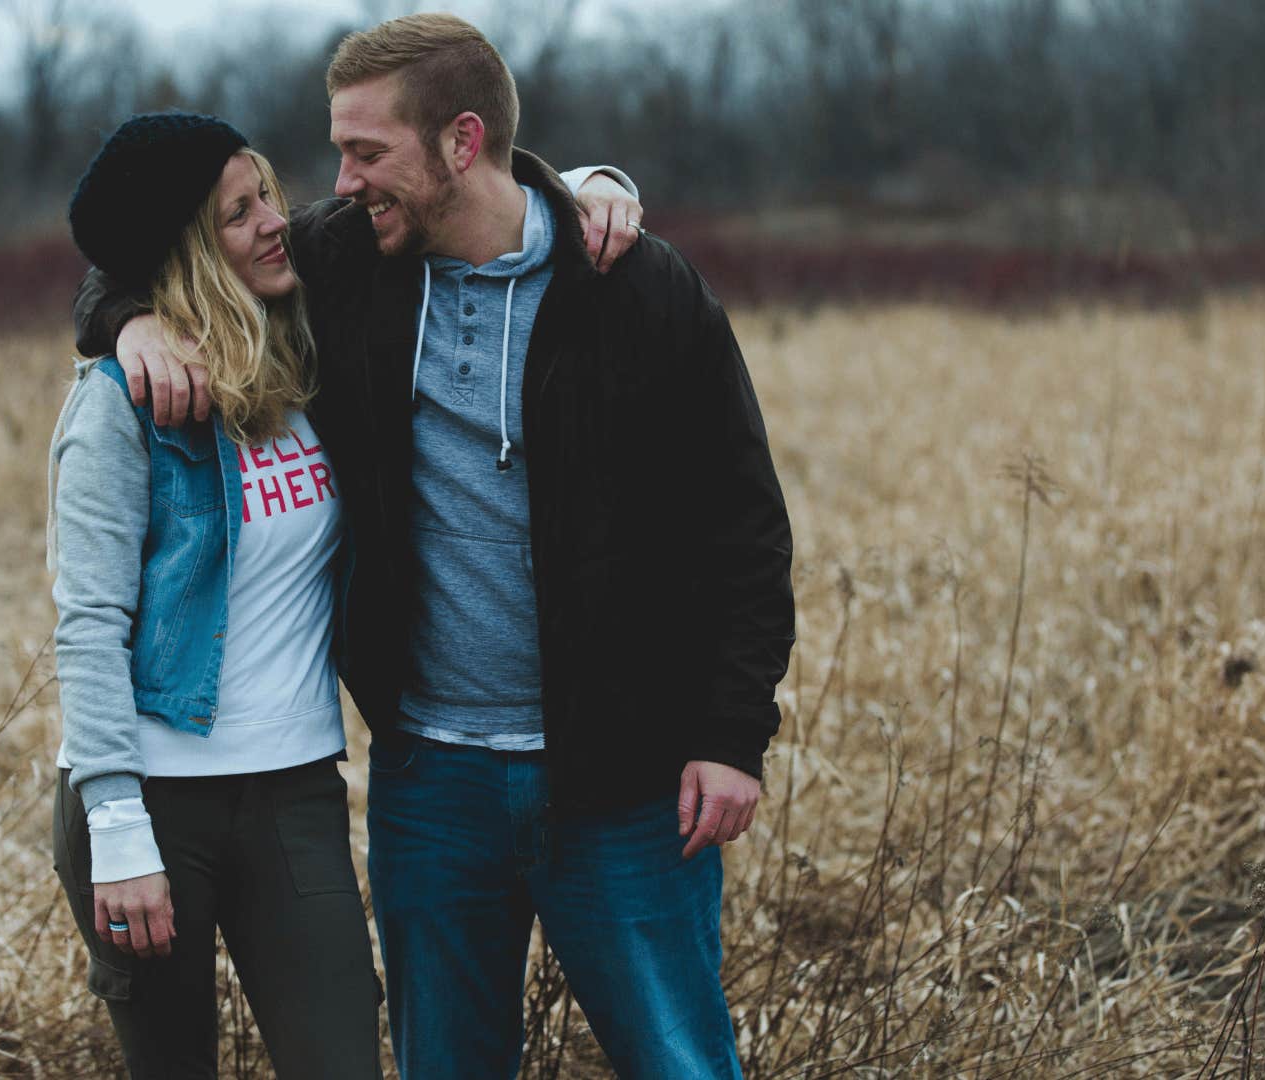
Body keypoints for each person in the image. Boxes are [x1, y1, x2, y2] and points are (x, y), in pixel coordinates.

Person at [77, 15, 794, 1078]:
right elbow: (183, 255)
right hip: (433, 783)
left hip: (623, 781)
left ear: (462, 142)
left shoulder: (638, 289)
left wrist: (733, 734)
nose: (341, 179)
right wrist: (125, 316)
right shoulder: (349, 264)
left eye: (367, 152)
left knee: (682, 1064)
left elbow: (742, 523)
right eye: (338, 149)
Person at [47, 111, 644, 1078]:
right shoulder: (121, 406)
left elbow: (456, 199)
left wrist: (593, 179)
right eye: (239, 216)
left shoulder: (309, 341)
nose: (275, 221)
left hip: (294, 792)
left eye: (267, 193)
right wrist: (117, 827)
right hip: (150, 801)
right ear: (191, 254)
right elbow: (87, 626)